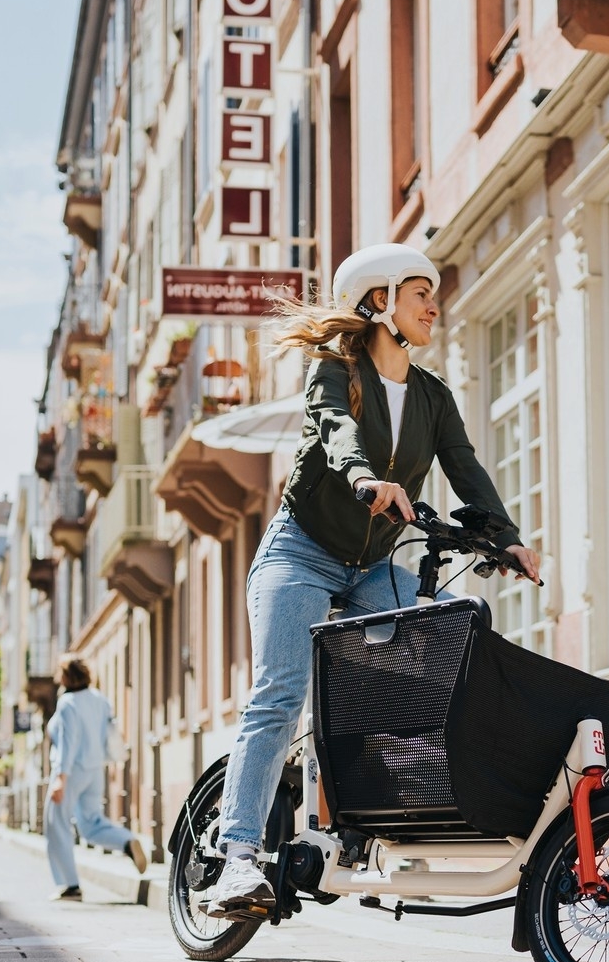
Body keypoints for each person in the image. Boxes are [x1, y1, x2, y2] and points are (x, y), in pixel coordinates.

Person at [199, 243, 541, 919]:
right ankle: (237, 862)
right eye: (420, 293)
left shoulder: (432, 396)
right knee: (279, 694)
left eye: (432, 294)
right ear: (379, 302)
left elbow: (465, 468)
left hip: (375, 567)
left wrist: (508, 538)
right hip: (301, 552)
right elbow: (334, 432)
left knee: (455, 636)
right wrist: (362, 477)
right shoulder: (336, 370)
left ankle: (379, 811)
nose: (433, 305)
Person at [44, 655, 148, 900]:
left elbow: (69, 741)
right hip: (94, 770)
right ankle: (126, 841)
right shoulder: (100, 699)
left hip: (71, 771)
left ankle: (70, 885)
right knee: (91, 824)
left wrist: (61, 776)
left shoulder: (68, 702)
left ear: (67, 676)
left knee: (56, 824)